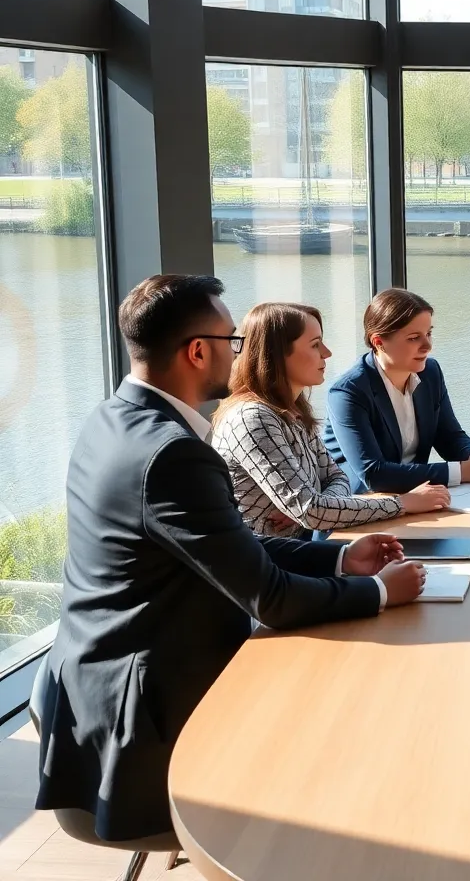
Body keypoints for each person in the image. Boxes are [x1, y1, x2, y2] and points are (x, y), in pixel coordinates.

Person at [34, 275, 427, 844]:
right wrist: (384, 591)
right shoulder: (173, 453)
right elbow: (270, 597)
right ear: (198, 351)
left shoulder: (112, 422)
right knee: (357, 734)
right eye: (231, 340)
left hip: (95, 689)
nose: (239, 353)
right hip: (151, 724)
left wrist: (339, 562)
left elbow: (222, 550)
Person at [211, 302, 450, 538]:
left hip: (299, 552)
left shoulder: (291, 411)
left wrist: (307, 505)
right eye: (315, 345)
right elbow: (311, 510)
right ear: (277, 355)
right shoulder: (253, 419)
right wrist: (403, 503)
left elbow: (337, 478)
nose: (327, 353)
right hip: (266, 565)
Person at [324, 288, 470, 494]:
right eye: (414, 338)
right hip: (360, 507)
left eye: (429, 333)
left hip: (417, 499)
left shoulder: (430, 372)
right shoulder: (347, 393)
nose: (428, 346)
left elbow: (449, 436)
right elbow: (374, 474)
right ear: (378, 342)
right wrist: (462, 472)